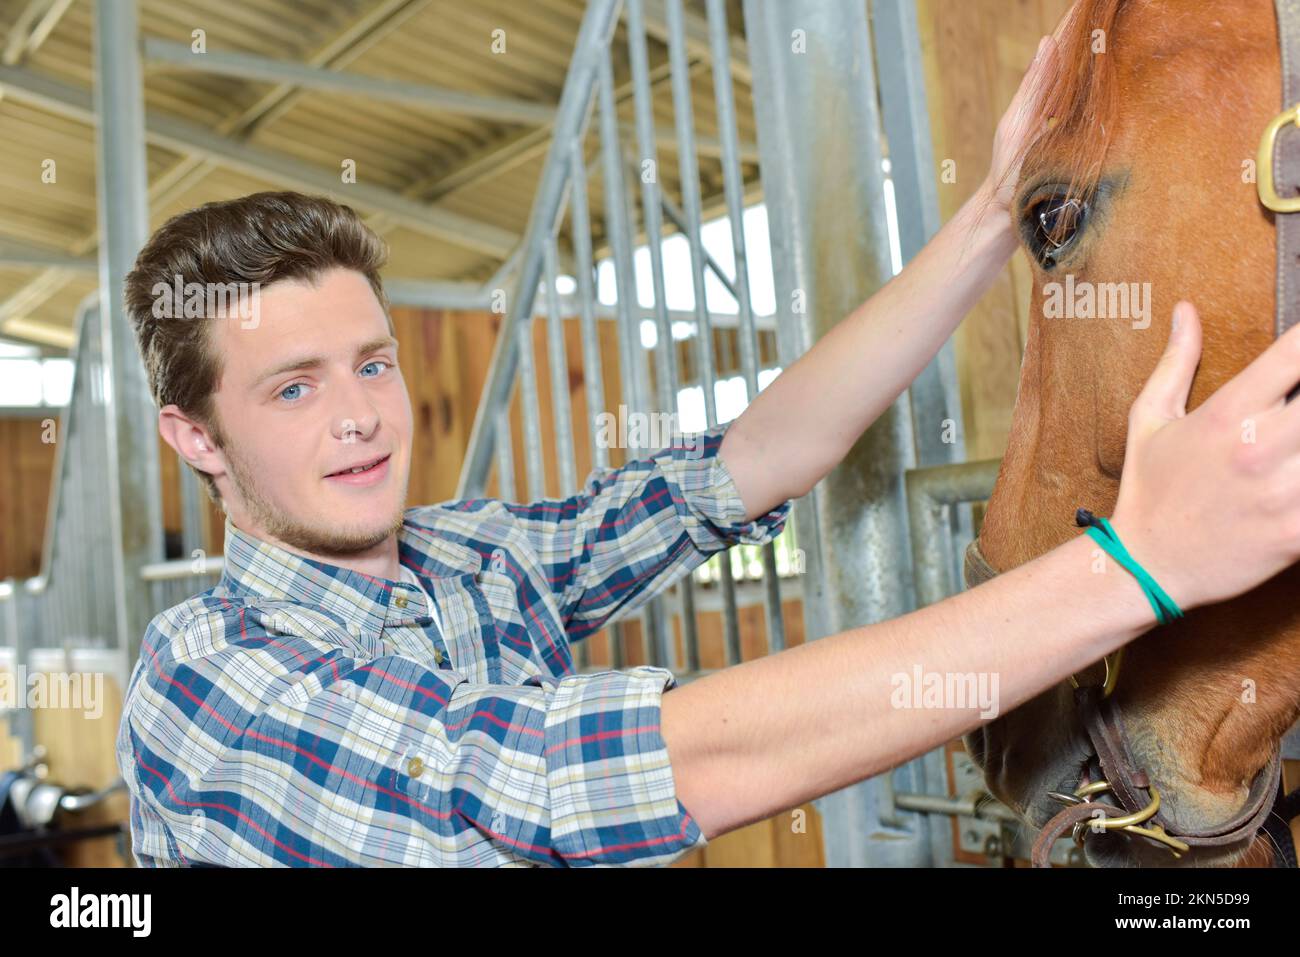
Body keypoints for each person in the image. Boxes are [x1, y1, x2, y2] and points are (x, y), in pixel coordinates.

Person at [115, 34, 1300, 867]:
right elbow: (551, 784)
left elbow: (753, 459)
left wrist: (993, 213)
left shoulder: (468, 559)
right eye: (291, 389)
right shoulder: (203, 679)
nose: (363, 416)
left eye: (372, 363)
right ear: (194, 435)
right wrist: (1139, 568)